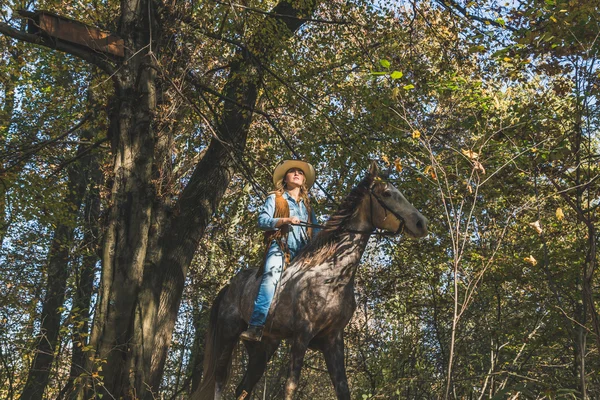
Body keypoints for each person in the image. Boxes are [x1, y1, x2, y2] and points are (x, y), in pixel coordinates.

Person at [240, 160, 319, 342]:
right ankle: (256, 326)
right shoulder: (275, 198)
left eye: (300, 172)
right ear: (285, 178)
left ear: (304, 180)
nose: (297, 174)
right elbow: (262, 221)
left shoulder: (307, 205)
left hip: (303, 253)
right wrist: (284, 220)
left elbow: (316, 232)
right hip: (281, 248)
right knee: (271, 276)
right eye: (292, 172)